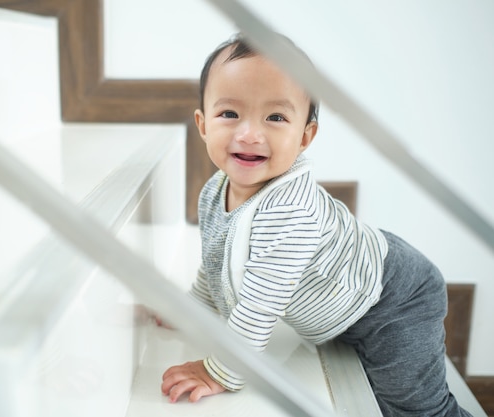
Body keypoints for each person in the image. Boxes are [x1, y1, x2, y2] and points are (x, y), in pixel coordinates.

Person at [160, 33, 472, 417]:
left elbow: (260, 303)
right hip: (349, 293)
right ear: (203, 123)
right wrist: (191, 309)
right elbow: (215, 259)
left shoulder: (291, 213)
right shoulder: (214, 190)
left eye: (275, 117)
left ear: (305, 136)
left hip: (393, 300)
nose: (249, 134)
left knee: (413, 408)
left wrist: (220, 370)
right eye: (230, 114)